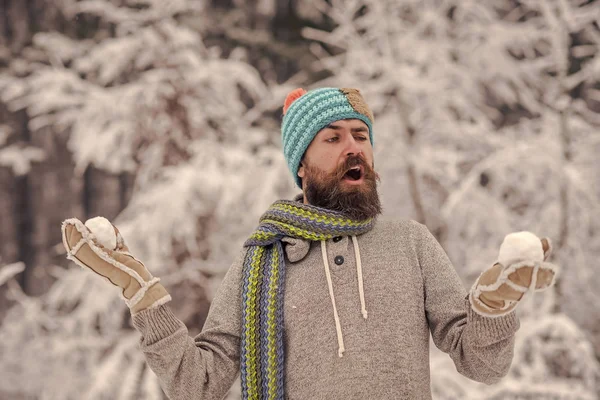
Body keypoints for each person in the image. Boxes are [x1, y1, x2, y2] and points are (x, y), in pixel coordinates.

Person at [61, 87, 558, 400]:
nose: (353, 146)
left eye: (360, 135)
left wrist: (493, 308)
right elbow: (198, 384)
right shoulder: (261, 261)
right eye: (333, 138)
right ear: (302, 164)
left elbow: (483, 365)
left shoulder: (411, 243)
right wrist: (143, 297)